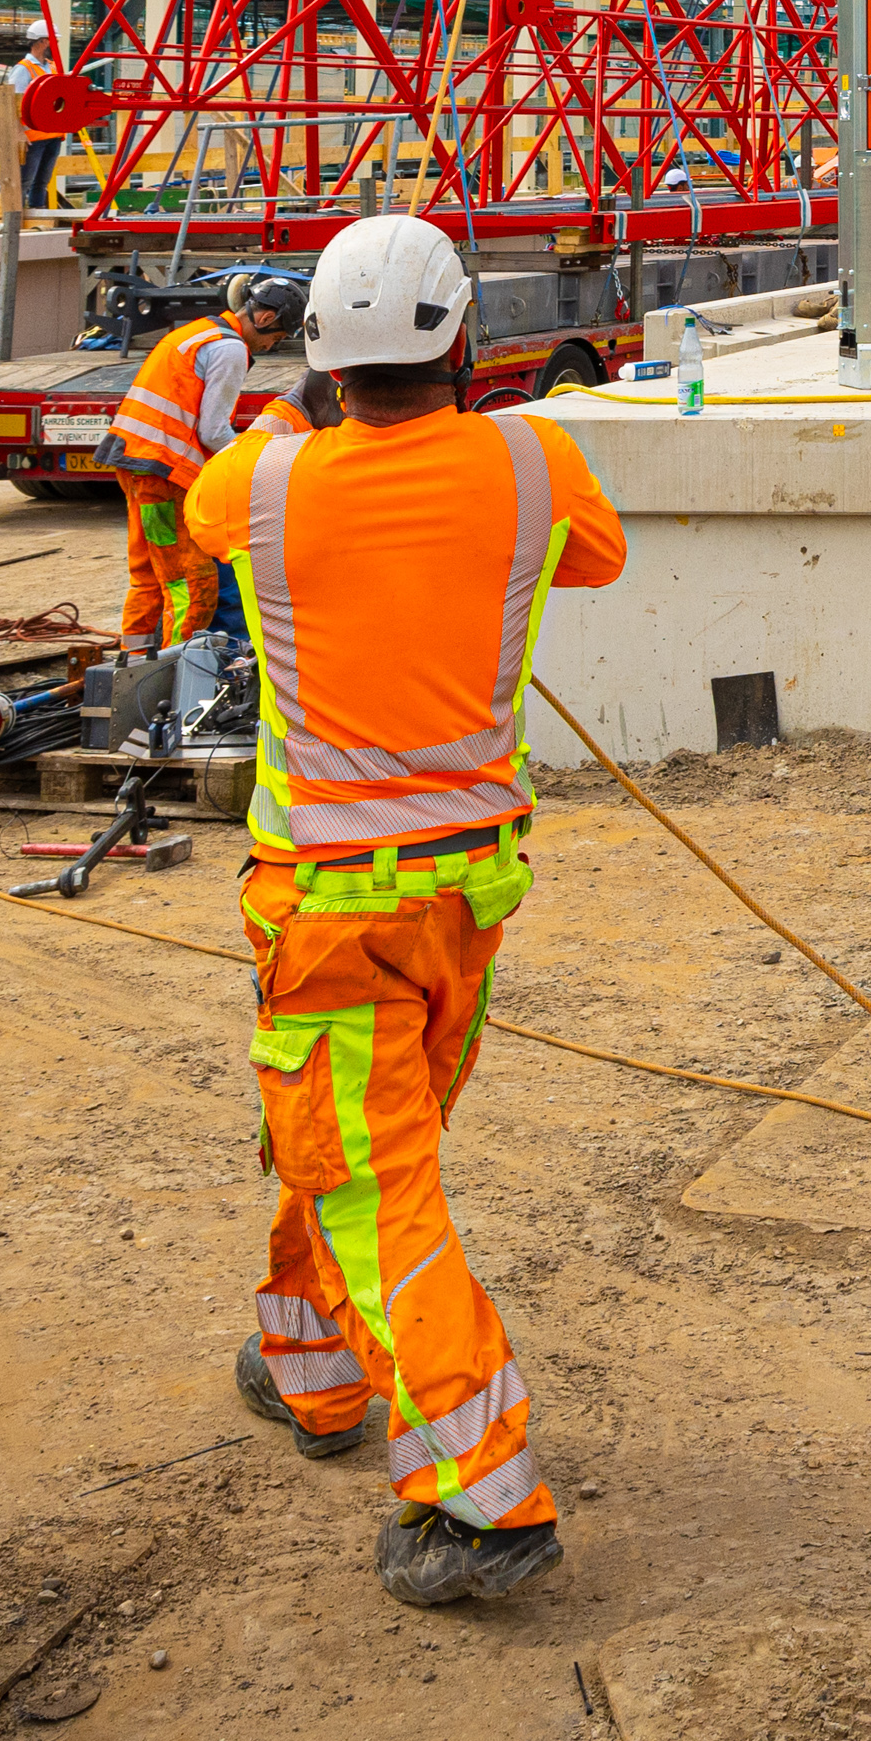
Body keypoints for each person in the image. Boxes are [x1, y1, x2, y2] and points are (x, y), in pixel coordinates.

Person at [201, 212, 618, 1608]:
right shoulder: (532, 457)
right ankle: (314, 1369)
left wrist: (290, 396)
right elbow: (597, 555)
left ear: (318, 349)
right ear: (464, 340)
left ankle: (481, 1493)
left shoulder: (260, 484)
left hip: (327, 913)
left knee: (377, 1188)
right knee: (344, 1153)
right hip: (465, 903)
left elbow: (228, 487)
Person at [102, 269, 292, 648]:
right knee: (192, 584)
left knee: (151, 575)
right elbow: (213, 431)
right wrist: (258, 461)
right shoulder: (231, 348)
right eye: (279, 337)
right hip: (163, 474)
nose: (273, 346)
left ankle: (134, 662)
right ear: (266, 319)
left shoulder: (198, 331)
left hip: (136, 463)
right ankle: (175, 676)